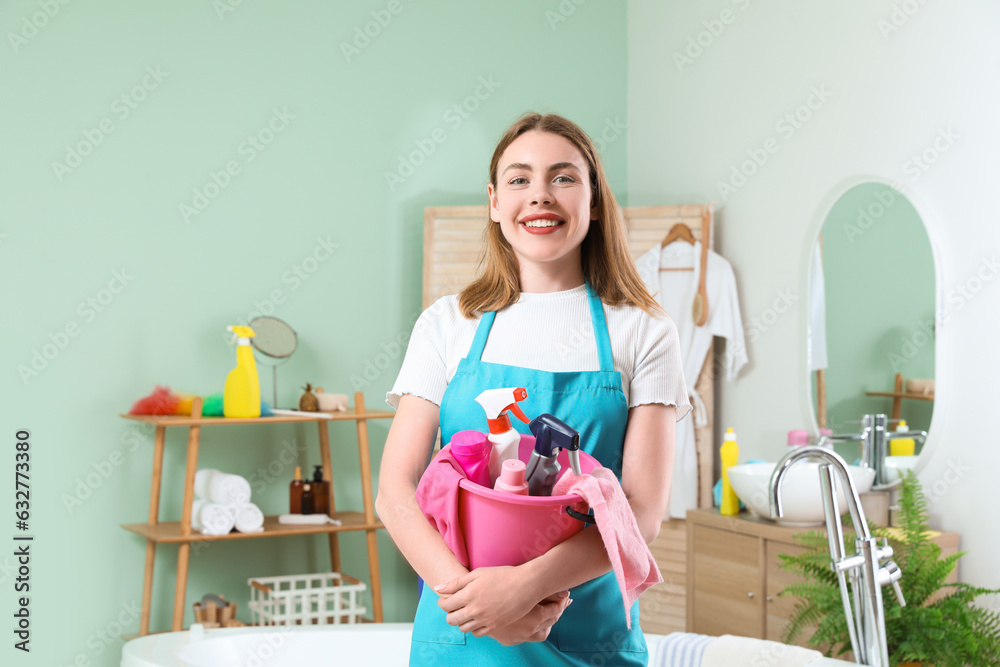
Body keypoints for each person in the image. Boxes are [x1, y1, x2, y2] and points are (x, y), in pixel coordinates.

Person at [375, 112, 690, 666]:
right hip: (462, 630)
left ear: (593, 199)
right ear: (495, 202)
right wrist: (476, 603)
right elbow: (395, 493)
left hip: (585, 632)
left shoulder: (643, 330)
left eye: (563, 178)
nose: (540, 196)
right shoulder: (448, 324)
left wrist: (523, 590)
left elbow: (642, 512)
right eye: (519, 180)